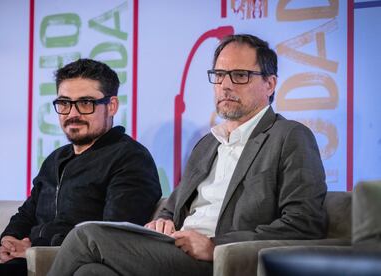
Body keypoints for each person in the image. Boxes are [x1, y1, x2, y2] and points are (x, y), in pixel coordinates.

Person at [47, 34, 327, 276]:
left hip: (220, 260)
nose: (225, 85)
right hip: (175, 249)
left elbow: (304, 223)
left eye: (240, 75)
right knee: (91, 272)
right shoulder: (208, 143)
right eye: (218, 75)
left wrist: (215, 245)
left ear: (270, 84)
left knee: (86, 235)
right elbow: (174, 204)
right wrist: (163, 220)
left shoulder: (289, 136)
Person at [0, 59, 162, 276]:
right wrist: (9, 240)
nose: (72, 113)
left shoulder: (130, 157)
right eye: (64, 103)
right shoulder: (55, 159)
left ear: (112, 105)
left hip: (70, 266)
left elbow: (110, 236)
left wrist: (36, 248)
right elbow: (26, 214)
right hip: (24, 263)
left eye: (85, 103)